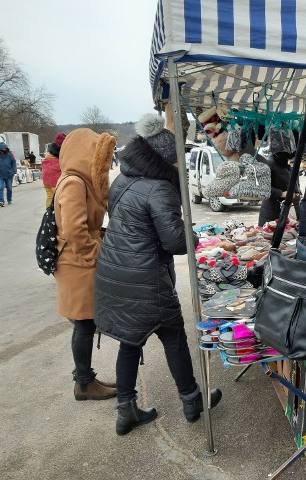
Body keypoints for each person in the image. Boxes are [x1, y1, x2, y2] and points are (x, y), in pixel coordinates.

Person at [94, 113, 221, 436]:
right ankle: (193, 402)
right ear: (166, 162)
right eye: (179, 162)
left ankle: (126, 410)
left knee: (129, 340)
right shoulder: (160, 189)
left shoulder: (122, 180)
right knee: (174, 336)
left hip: (115, 273)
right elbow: (175, 241)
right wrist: (193, 235)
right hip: (146, 278)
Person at [54, 128, 118, 401]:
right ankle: (83, 384)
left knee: (87, 324)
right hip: (77, 264)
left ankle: (85, 379)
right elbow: (74, 230)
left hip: (80, 262)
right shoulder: (73, 183)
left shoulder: (79, 181)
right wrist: (95, 256)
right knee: (83, 323)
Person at [258, 150, 300, 226]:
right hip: (272, 211)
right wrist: (281, 193)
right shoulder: (268, 164)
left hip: (290, 209)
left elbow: (295, 184)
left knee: (290, 235)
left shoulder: (287, 163)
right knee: (271, 234)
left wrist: (297, 194)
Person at [42, 132, 66, 208]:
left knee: (50, 198)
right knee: (59, 200)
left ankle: (49, 214)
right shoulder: (59, 156)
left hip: (46, 179)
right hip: (54, 181)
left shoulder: (49, 154)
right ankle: (55, 216)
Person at [0, 142, 17, 206]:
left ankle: (9, 199)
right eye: (3, 148)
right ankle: (1, 201)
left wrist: (13, 171)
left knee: (9, 188)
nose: (5, 149)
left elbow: (13, 162)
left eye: (5, 148)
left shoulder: (9, 154)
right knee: (0, 187)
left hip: (9, 174)